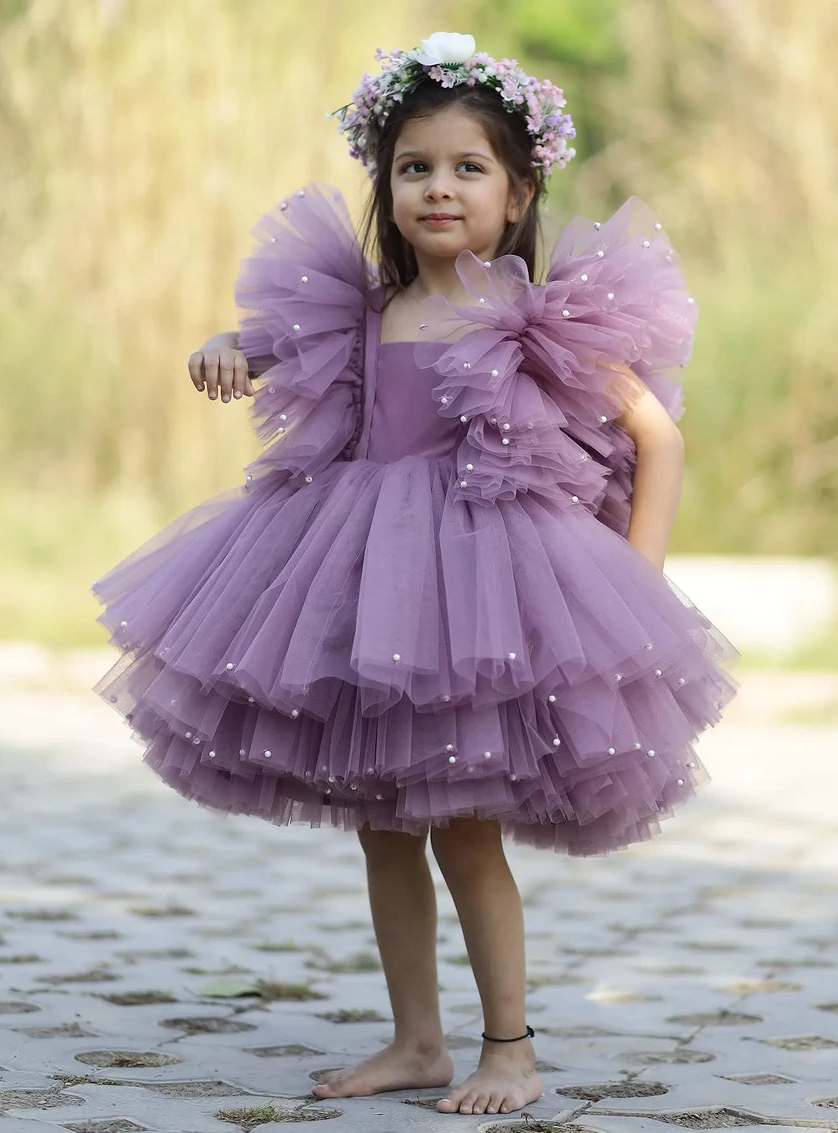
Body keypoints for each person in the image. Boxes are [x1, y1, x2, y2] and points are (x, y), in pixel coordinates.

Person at [93, 32, 738, 1118]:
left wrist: (639, 580)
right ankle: (415, 1039)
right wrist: (222, 347)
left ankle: (511, 1048)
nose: (439, 187)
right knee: (382, 827)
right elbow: (262, 346)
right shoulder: (360, 307)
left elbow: (655, 435)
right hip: (362, 582)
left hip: (484, 589)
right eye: (414, 167)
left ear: (520, 188)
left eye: (467, 168)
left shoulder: (537, 314)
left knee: (465, 831)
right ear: (385, 185)